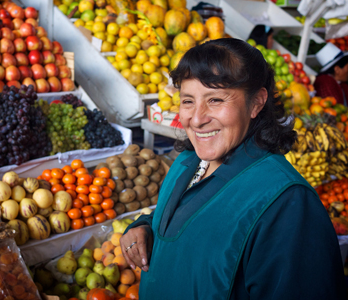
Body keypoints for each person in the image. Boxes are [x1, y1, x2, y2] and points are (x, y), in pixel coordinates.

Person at [119, 39, 346, 300]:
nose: (197, 118)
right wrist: (146, 226)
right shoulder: (187, 161)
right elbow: (192, 222)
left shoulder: (288, 206)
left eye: (215, 99)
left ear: (257, 103)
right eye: (188, 101)